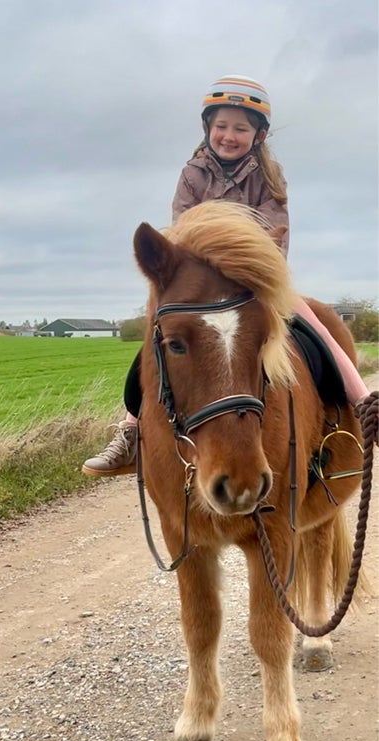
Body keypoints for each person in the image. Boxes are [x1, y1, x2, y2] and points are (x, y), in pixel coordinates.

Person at [82, 75, 373, 478]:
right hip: (199, 284)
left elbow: (275, 238)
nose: (229, 135)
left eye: (241, 128)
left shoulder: (269, 178)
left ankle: (361, 405)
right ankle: (131, 429)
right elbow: (180, 230)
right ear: (208, 128)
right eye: (222, 126)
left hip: (251, 281)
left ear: (259, 135)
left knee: (319, 329)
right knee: (155, 346)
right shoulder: (192, 175)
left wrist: (249, 265)